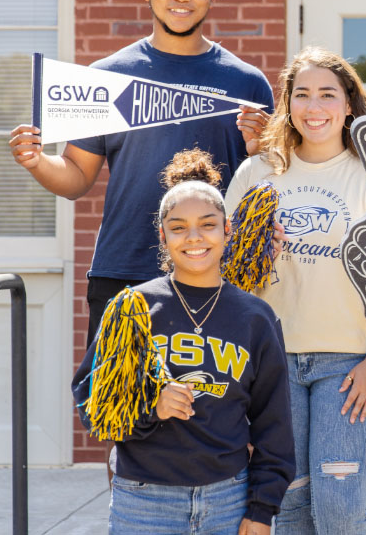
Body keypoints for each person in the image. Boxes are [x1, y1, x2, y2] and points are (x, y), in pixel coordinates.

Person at [8, 0, 275, 346]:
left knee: (204, 411)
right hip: (123, 273)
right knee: (114, 409)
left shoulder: (249, 83)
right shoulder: (107, 76)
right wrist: (37, 161)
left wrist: (260, 151)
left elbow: (268, 188)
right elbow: (77, 176)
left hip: (214, 276)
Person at [71, 149, 295, 535]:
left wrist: (261, 510)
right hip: (144, 501)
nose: (194, 238)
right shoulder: (133, 308)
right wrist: (150, 407)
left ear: (227, 231)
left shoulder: (255, 319)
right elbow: (93, 407)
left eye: (208, 225)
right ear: (163, 235)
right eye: (179, 227)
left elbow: (274, 427)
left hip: (228, 499)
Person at [224, 47, 366, 534]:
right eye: (302, 94)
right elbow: (229, 281)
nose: (314, 106)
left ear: (349, 106)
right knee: (289, 503)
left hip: (348, 364)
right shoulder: (257, 174)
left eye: (328, 94)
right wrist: (254, 256)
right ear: (287, 104)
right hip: (272, 362)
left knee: (340, 507)